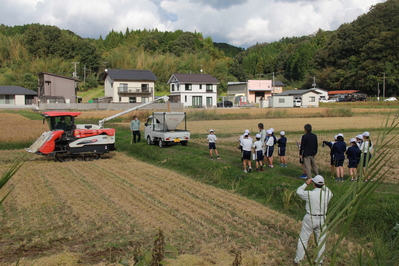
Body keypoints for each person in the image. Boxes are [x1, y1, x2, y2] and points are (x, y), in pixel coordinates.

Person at [294, 175, 333, 265]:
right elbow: (330, 192)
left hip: (310, 217)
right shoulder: (327, 194)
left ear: (314, 184)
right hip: (322, 219)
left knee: (303, 240)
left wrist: (306, 183)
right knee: (321, 241)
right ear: (323, 184)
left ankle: (298, 260)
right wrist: (322, 184)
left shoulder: (310, 194)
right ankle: (319, 261)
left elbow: (299, 192)